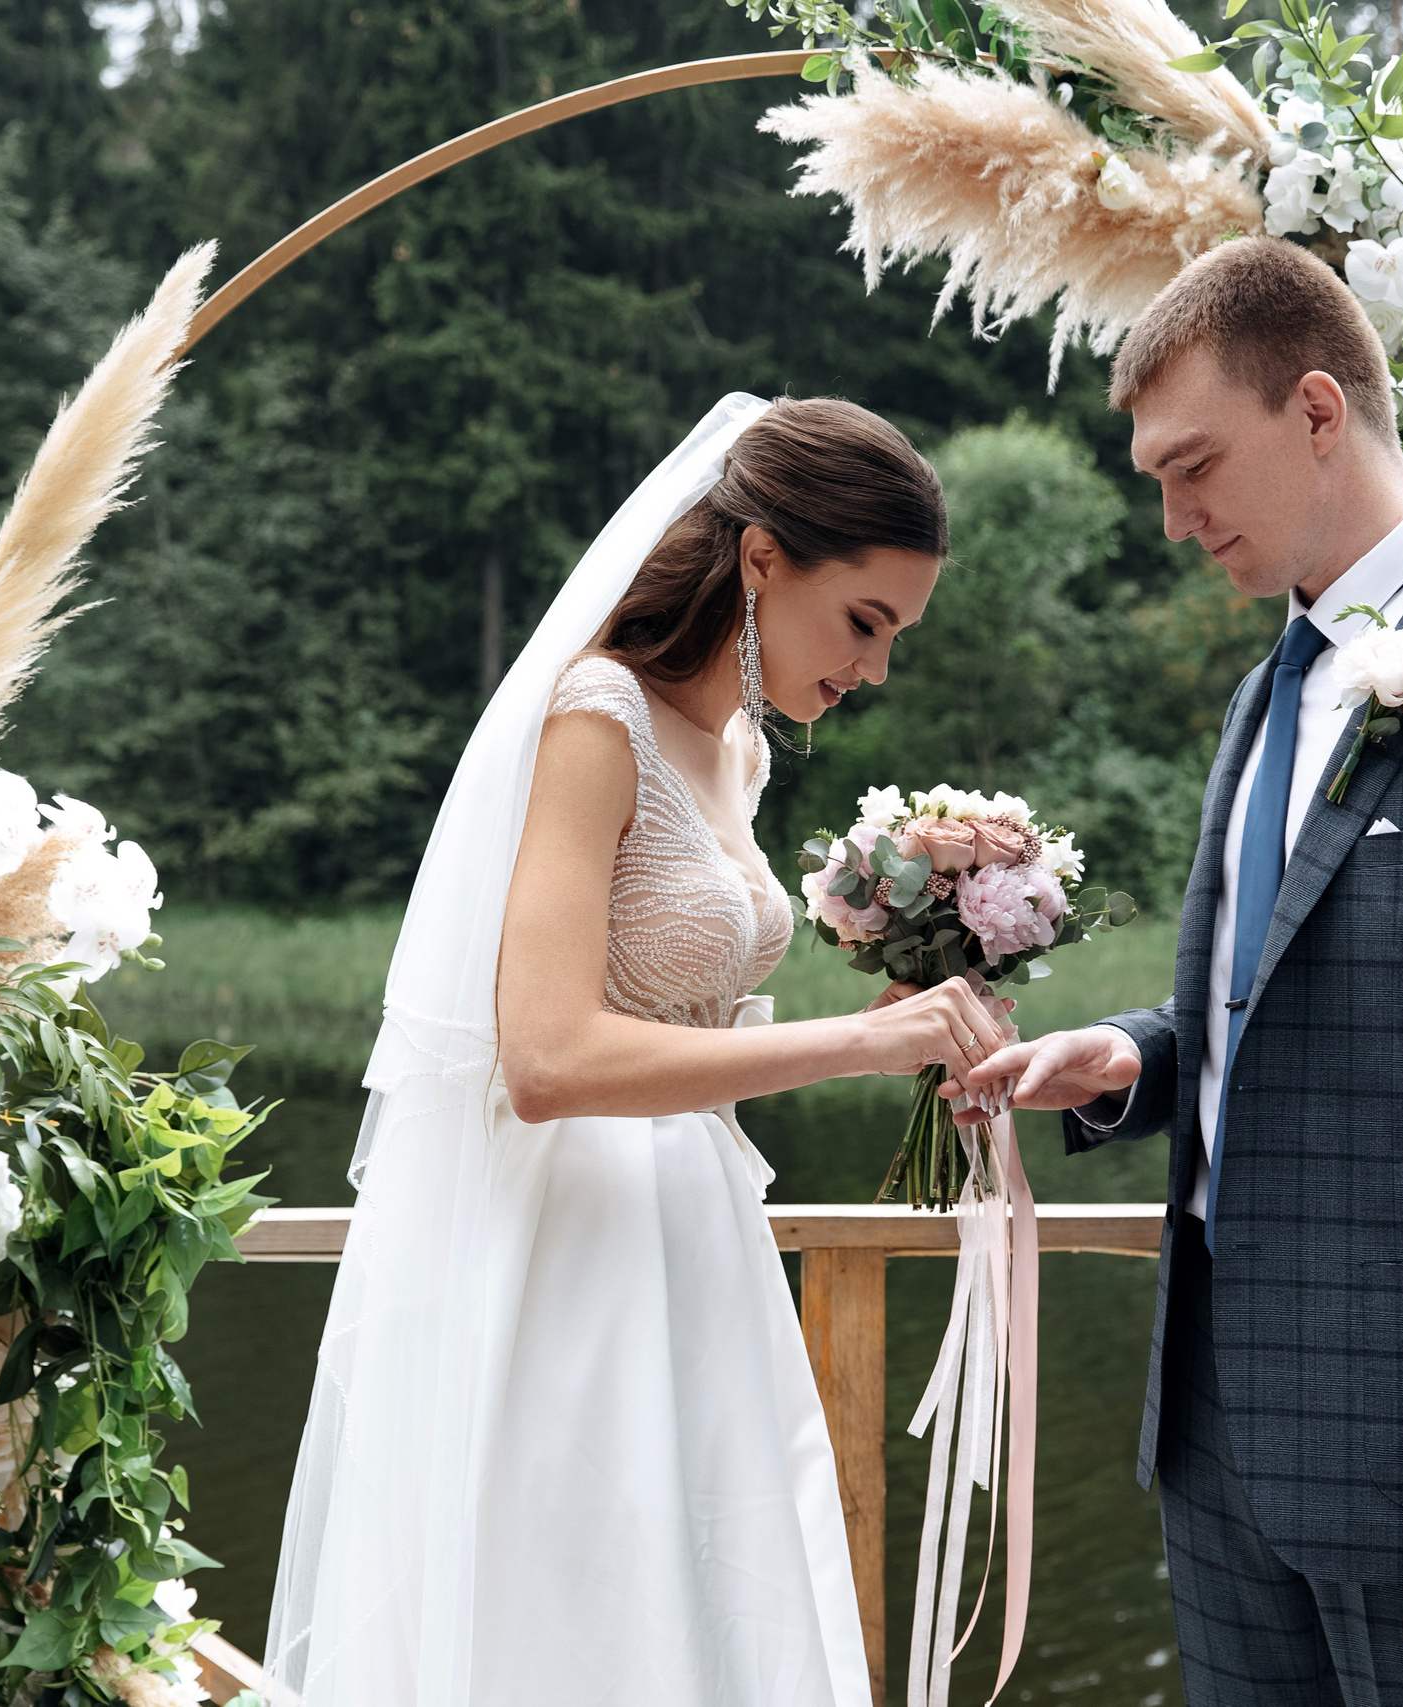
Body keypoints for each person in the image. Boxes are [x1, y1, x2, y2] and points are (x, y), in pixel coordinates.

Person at [958, 239, 1403, 1706]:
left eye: (1193, 468)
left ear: (1314, 411)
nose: (1175, 520)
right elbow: (1311, 988)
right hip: (1219, 1439)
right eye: (1156, 482)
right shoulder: (1268, 688)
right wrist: (1142, 1057)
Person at [265, 395, 1010, 1706]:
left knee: (716, 1609)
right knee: (580, 1625)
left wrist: (915, 990)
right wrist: (856, 1041)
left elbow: (687, 1002)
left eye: (896, 634)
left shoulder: (738, 748)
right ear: (763, 557)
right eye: (865, 621)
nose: (877, 668)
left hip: (697, 1232)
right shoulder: (594, 717)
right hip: (574, 1249)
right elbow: (546, 1058)